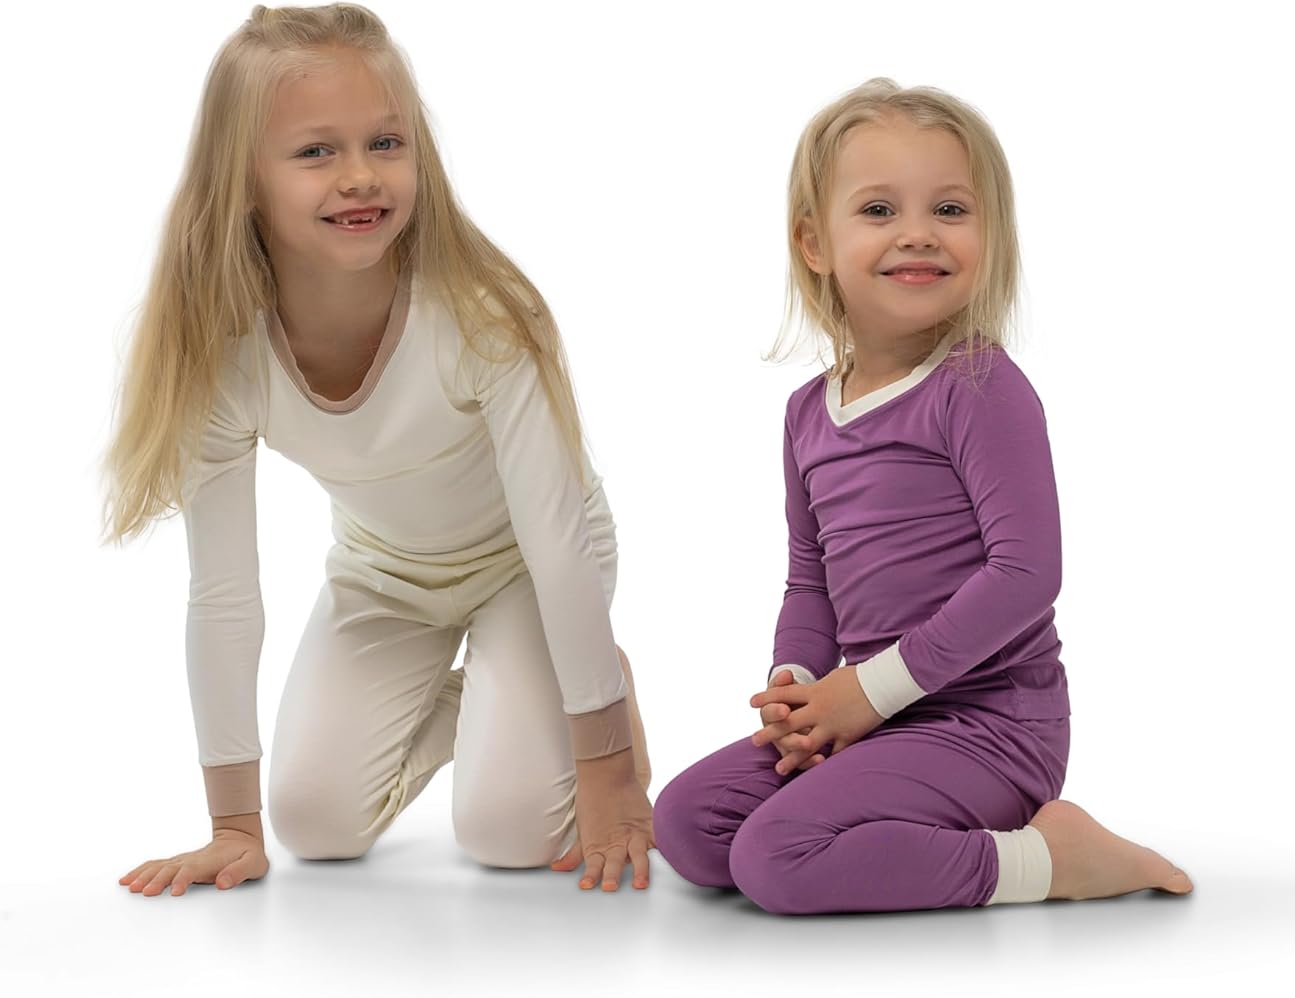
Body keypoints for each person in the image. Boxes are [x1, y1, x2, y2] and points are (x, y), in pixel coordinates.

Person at [104, 3, 652, 898]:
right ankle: (506, 704)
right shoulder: (225, 352)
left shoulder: (483, 317)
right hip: (386, 572)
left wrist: (609, 765)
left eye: (385, 143)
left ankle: (588, 683)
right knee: (313, 823)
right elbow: (224, 594)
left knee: (509, 832)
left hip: (531, 564)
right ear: (244, 179)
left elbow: (556, 544)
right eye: (316, 151)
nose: (360, 176)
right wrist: (233, 824)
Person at [652, 78, 1194, 914]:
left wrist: (864, 695)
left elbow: (1025, 575)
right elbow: (809, 579)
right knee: (690, 827)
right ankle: (884, 821)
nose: (918, 234)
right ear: (814, 242)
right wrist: (799, 687)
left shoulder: (978, 387)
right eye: (878, 210)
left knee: (775, 859)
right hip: (877, 716)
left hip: (992, 727)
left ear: (990, 235)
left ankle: (1051, 861)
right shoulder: (806, 413)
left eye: (950, 210)